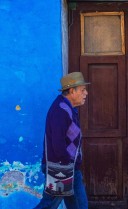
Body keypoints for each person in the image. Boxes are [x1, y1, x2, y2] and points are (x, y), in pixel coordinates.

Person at [34, 72, 90, 209]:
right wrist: (66, 165)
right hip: (60, 168)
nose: (86, 93)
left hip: (68, 168)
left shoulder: (67, 108)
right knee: (49, 205)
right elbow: (58, 143)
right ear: (72, 91)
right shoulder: (60, 110)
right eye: (83, 90)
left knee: (78, 205)